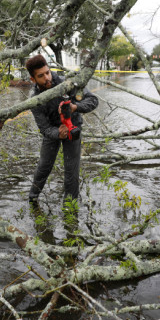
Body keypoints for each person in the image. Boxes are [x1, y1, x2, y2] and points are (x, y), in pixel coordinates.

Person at [25, 54, 98, 207]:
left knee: (71, 171)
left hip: (73, 129)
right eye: (41, 76)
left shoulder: (68, 83)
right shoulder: (34, 99)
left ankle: (70, 208)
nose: (47, 78)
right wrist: (58, 132)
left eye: (47, 72)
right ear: (33, 79)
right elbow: (44, 128)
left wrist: (75, 107)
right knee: (44, 166)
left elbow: (93, 100)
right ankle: (32, 199)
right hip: (53, 132)